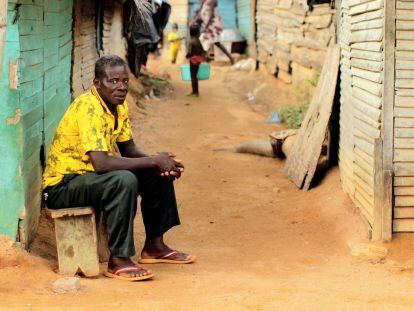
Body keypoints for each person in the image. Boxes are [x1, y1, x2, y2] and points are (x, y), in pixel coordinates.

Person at [43, 55, 195, 282]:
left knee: (155, 175)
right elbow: (102, 163)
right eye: (113, 81)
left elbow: (130, 149)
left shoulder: (117, 106)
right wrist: (154, 161)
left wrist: (160, 162)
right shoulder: (89, 108)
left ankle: (155, 246)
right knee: (123, 180)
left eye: (124, 81)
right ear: (97, 83)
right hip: (63, 185)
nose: (121, 87)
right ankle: (119, 260)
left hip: (90, 178)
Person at [193, 0, 234, 64]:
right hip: (209, 24)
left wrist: (206, 26)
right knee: (215, 43)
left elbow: (211, 14)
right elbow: (200, 11)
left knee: (203, 40)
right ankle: (205, 59)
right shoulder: (204, 2)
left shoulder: (212, 1)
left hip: (213, 25)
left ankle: (204, 60)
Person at [186, 23, 205, 97]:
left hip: (193, 60)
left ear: (190, 32)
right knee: (195, 76)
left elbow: (189, 52)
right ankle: (195, 92)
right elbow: (202, 50)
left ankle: (195, 92)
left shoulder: (191, 41)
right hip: (198, 60)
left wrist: (187, 56)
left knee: (193, 76)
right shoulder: (198, 41)